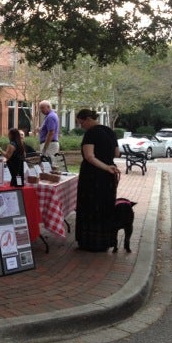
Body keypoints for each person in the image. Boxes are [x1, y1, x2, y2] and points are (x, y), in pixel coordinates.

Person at [74, 108, 120, 252]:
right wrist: (108, 165)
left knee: (90, 206)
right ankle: (104, 240)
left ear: (88, 119)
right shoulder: (110, 131)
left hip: (93, 176)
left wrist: (105, 167)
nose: (81, 126)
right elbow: (117, 153)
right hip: (109, 175)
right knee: (105, 205)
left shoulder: (91, 133)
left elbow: (89, 156)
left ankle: (89, 242)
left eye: (81, 123)